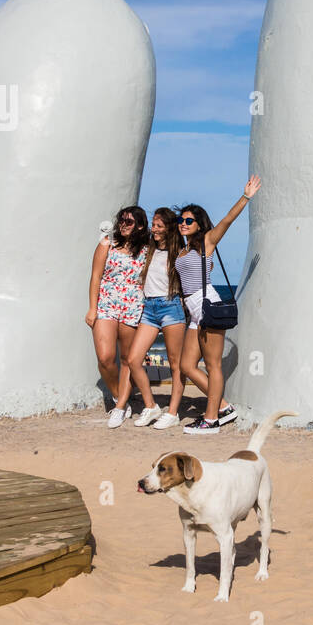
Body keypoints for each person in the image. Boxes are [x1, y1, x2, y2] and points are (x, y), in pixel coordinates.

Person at [179, 175, 262, 435]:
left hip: (207, 306)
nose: (184, 223)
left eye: (189, 220)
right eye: (181, 220)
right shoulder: (182, 249)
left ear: (199, 223)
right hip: (193, 311)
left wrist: (246, 197)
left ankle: (211, 419)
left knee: (213, 365)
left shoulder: (207, 242)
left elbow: (226, 220)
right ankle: (224, 407)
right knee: (187, 366)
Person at [126, 208, 190, 430]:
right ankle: (151, 405)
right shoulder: (149, 250)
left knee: (175, 365)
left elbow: (199, 267)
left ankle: (172, 412)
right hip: (149, 309)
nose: (154, 229)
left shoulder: (179, 253)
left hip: (171, 307)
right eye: (153, 224)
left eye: (159, 226)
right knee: (133, 359)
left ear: (169, 229)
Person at [88, 206, 149, 428]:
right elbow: (95, 277)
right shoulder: (107, 244)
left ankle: (121, 406)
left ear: (140, 225)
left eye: (129, 222)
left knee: (127, 360)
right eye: (121, 220)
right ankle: (116, 395)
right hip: (106, 303)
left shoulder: (146, 250)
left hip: (133, 305)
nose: (123, 224)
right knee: (105, 358)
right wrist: (92, 308)